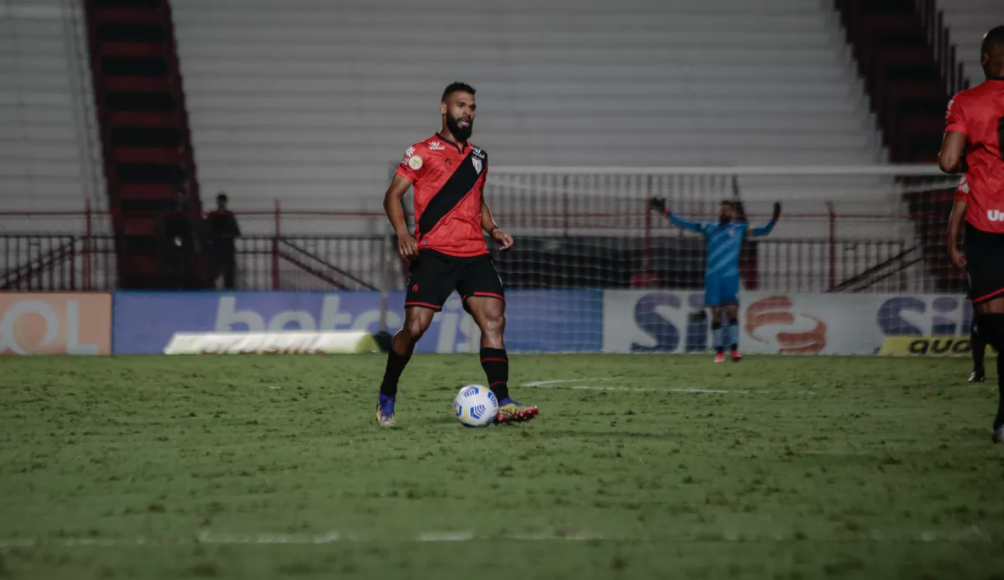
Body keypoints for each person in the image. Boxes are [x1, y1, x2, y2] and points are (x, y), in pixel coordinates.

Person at [376, 82, 538, 428]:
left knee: (494, 320)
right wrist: (403, 234)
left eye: (473, 107)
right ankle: (388, 388)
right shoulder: (422, 151)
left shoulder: (479, 157)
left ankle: (504, 401)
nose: (468, 112)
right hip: (433, 252)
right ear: (444, 109)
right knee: (415, 328)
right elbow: (392, 196)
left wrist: (493, 230)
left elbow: (477, 200)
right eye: (461, 105)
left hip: (474, 253)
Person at [941, 25, 1004, 441]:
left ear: (985, 59)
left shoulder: (966, 102)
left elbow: (948, 162)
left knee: (993, 326)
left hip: (987, 226)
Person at [648, 198, 781, 362]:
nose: (724, 212)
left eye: (728, 210)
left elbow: (763, 231)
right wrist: (665, 211)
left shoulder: (740, 229)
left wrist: (774, 218)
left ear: (732, 214)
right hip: (713, 277)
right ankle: (719, 352)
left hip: (731, 277)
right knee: (716, 314)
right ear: (718, 212)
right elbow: (684, 224)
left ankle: (734, 351)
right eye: (722, 209)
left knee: (732, 312)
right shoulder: (708, 227)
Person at [947, 195, 988, 383]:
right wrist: (953, 248)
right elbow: (956, 214)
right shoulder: (973, 176)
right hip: (981, 251)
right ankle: (978, 368)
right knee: (981, 311)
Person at [206, 192, 241, 290]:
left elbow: (236, 232)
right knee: (214, 272)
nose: (221, 204)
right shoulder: (214, 216)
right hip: (218, 248)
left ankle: (226, 289)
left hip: (225, 248)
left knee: (227, 273)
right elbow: (207, 231)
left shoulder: (228, 215)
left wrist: (225, 236)